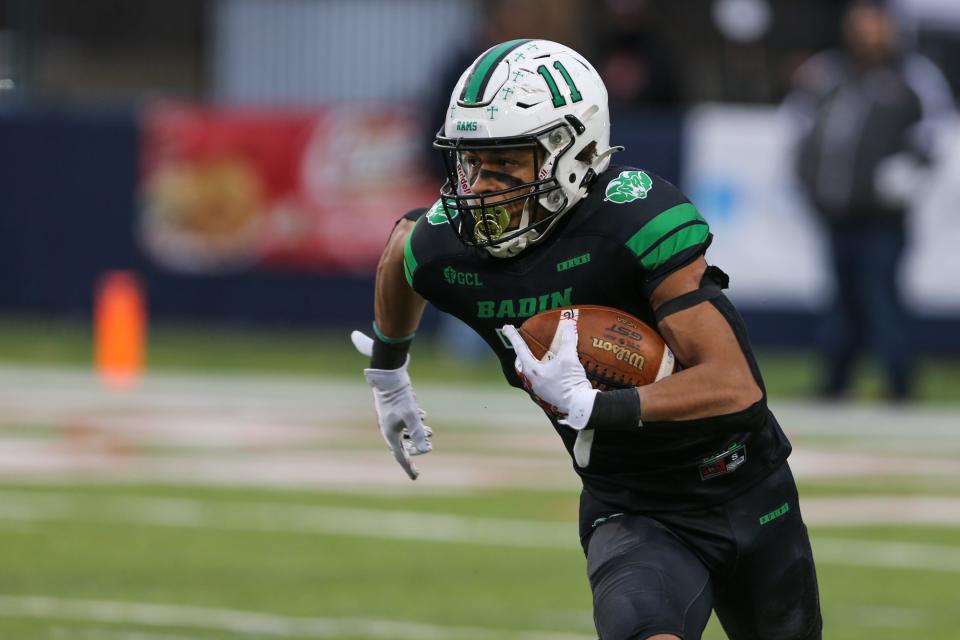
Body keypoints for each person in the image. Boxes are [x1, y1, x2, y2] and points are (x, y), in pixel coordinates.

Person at [353, 39, 821, 640]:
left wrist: (603, 405)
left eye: (505, 162)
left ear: (571, 152)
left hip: (746, 487)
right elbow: (401, 249)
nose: (479, 187)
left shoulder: (632, 219)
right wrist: (390, 375)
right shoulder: (450, 243)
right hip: (630, 503)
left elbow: (735, 386)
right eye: (470, 161)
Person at [785, 0, 954, 402]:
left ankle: (899, 383)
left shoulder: (914, 76)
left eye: (873, 24)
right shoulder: (826, 73)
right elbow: (798, 129)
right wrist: (809, 184)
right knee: (841, 298)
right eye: (858, 24)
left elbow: (933, 134)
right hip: (835, 211)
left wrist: (909, 174)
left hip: (883, 216)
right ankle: (836, 380)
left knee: (881, 295)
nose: (866, 32)